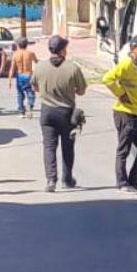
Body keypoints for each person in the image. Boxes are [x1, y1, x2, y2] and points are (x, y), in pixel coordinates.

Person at [31, 35, 87, 192]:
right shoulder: (72, 68)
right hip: (66, 113)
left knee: (49, 146)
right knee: (67, 147)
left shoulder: (40, 67)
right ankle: (67, 179)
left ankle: (50, 180)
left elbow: (34, 88)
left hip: (47, 112)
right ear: (62, 50)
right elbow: (81, 91)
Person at [102, 35, 137, 193]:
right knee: (123, 149)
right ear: (133, 48)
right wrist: (121, 93)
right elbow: (107, 79)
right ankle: (122, 183)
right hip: (125, 113)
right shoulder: (125, 64)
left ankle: (133, 180)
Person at [8, 37, 37, 118]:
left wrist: (9, 80)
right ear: (26, 45)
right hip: (29, 75)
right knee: (31, 93)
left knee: (20, 94)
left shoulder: (15, 55)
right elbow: (37, 62)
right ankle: (30, 106)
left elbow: (12, 68)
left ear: (18, 45)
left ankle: (21, 111)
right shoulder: (30, 53)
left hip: (20, 75)